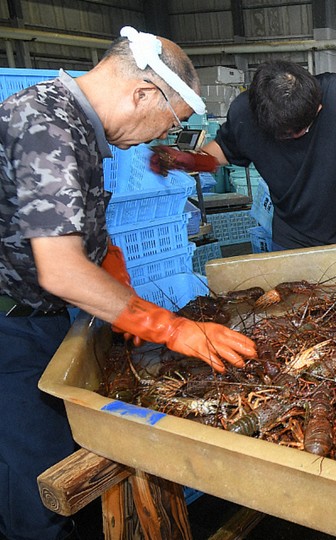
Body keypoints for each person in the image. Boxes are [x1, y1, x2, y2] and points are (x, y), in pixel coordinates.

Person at [0, 27, 256, 540]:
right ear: (143, 93)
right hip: (12, 326)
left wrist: (116, 277)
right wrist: (167, 326)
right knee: (38, 484)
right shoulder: (47, 125)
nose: (165, 138)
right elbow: (61, 268)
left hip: (43, 319)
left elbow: (78, 231)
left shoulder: (76, 124)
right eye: (171, 121)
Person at [151, 59, 336, 251]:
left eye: (311, 121)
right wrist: (187, 159)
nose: (306, 131)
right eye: (297, 131)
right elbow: (221, 152)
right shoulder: (245, 114)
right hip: (290, 239)